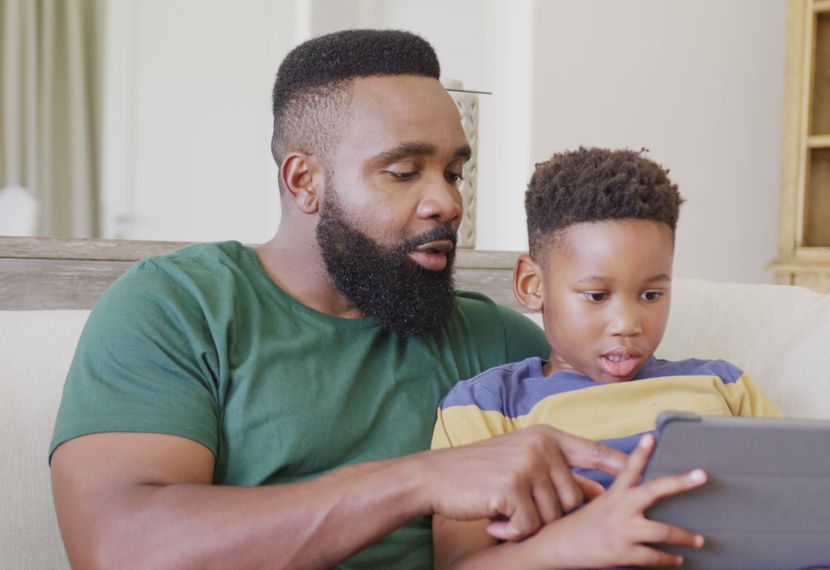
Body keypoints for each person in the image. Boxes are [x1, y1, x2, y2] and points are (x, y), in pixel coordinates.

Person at [48, 30, 688, 569]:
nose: (447, 202)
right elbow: (118, 546)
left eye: (454, 172)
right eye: (404, 172)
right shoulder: (179, 308)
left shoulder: (505, 348)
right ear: (305, 181)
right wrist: (420, 480)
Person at [431, 147, 830, 570]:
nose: (628, 323)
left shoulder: (723, 388)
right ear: (532, 285)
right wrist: (571, 544)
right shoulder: (485, 407)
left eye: (651, 294)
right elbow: (457, 565)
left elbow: (790, 527)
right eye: (597, 296)